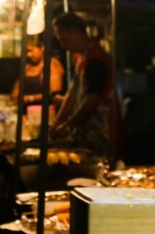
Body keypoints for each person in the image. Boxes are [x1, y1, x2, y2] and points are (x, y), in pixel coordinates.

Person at [51, 12, 121, 161]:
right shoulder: (81, 58)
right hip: (86, 131)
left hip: (101, 132)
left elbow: (92, 101)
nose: (62, 44)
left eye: (62, 38)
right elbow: (71, 95)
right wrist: (57, 123)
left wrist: (66, 126)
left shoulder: (96, 59)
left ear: (74, 33)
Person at [17, 37, 65, 109]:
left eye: (31, 50)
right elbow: (15, 94)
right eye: (27, 52)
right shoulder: (27, 67)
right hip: (25, 115)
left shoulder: (52, 65)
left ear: (42, 48)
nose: (29, 55)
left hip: (45, 113)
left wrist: (30, 98)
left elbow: (55, 95)